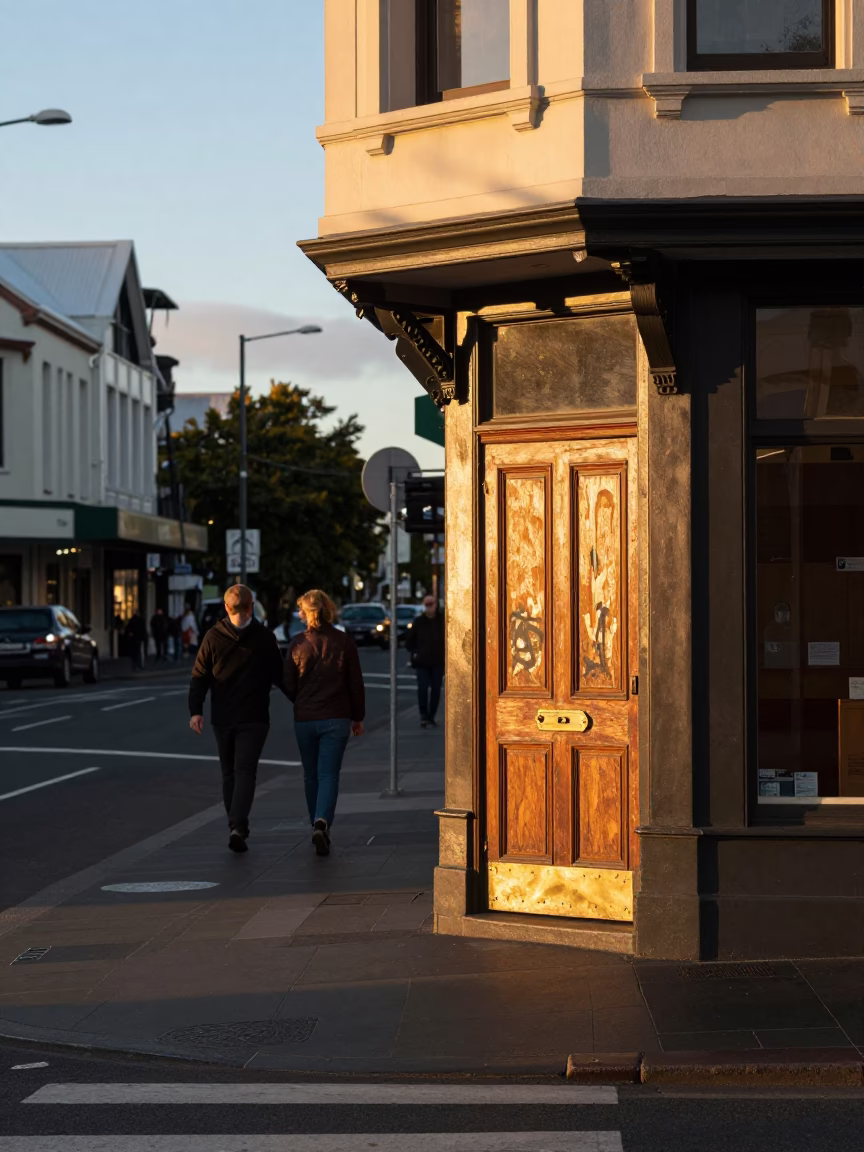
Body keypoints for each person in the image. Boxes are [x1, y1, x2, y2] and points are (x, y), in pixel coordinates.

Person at [188, 584, 284, 853]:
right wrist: (302, 701)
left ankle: (236, 825)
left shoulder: (212, 636)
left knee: (229, 772)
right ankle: (237, 826)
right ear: (252, 606)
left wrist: (196, 710)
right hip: (254, 716)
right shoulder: (264, 637)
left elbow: (199, 675)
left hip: (222, 716)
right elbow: (280, 675)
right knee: (245, 771)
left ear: (226, 607)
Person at [284, 589, 365, 857]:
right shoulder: (344, 642)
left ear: (306, 614)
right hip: (336, 717)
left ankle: (317, 824)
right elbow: (355, 683)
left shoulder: (297, 644)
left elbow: (288, 684)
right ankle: (322, 821)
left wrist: (301, 699)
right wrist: (358, 717)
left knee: (310, 774)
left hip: (305, 718)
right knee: (328, 774)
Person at [406, 595, 444, 728]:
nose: (429, 608)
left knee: (436, 690)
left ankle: (431, 716)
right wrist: (415, 652)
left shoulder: (442, 621)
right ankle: (424, 715)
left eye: (431, 605)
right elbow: (410, 640)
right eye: (427, 605)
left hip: (438, 662)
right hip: (422, 662)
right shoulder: (419, 622)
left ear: (435, 605)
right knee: (422, 689)